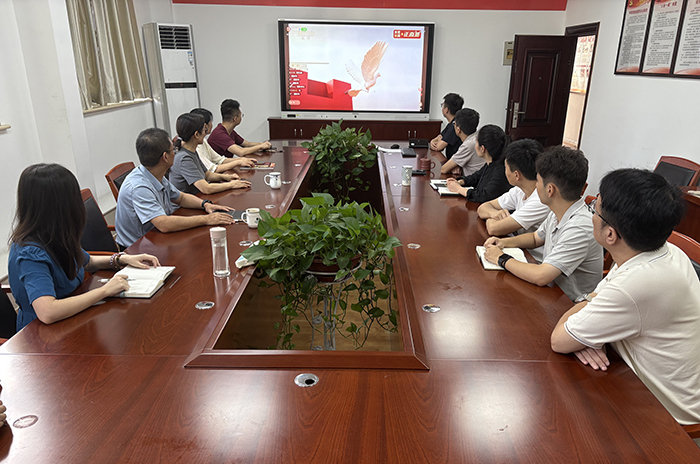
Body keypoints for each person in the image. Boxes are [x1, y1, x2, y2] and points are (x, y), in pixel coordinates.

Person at [550, 169, 700, 433]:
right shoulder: (663, 251)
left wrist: (584, 331)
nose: (591, 214)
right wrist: (590, 332)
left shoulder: (637, 282)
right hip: (639, 380)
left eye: (594, 209)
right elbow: (600, 299)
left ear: (611, 234)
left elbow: (559, 340)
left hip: (668, 418)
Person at [8, 164, 160, 331]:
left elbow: (86, 261)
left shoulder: (54, 234)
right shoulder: (29, 252)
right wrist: (104, 291)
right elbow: (48, 312)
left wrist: (121, 259)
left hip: (74, 319)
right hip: (41, 335)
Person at [482, 146, 603, 301]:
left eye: (538, 181)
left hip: (568, 303)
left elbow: (541, 276)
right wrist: (503, 243)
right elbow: (535, 238)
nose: (536, 186)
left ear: (550, 190)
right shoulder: (559, 210)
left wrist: (501, 258)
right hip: (551, 293)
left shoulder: (579, 227)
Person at [115, 128, 235, 248]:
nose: (175, 153)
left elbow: (181, 197)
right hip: (137, 248)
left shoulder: (154, 172)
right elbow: (164, 224)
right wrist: (207, 219)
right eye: (173, 149)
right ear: (165, 157)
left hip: (156, 238)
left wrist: (205, 204)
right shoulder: (139, 187)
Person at [476, 139, 549, 261]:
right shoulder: (519, 190)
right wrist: (494, 213)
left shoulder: (540, 200)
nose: (504, 171)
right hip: (515, 248)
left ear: (516, 175)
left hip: (532, 259)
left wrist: (491, 218)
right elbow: (483, 207)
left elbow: (494, 229)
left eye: (506, 167)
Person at [169, 112, 252, 195]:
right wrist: (232, 185)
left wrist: (227, 177)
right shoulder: (184, 158)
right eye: (204, 130)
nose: (205, 133)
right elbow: (206, 188)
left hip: (198, 197)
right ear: (196, 134)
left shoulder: (192, 152)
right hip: (189, 201)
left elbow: (207, 175)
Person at [445, 124, 511, 203]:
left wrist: (459, 189)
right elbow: (475, 177)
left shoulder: (501, 169)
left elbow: (485, 196)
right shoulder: (490, 163)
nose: (475, 146)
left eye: (476, 142)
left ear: (482, 148)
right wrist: (460, 182)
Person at [189, 108, 256, 173]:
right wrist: (238, 162)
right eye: (211, 122)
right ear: (205, 126)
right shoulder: (195, 146)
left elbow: (220, 160)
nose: (212, 125)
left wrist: (241, 159)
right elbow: (213, 169)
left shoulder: (203, 141)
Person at [439, 108, 483, 175]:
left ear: (458, 129)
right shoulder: (477, 137)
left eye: (454, 123)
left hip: (474, 180)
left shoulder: (469, 144)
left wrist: (452, 167)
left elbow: (443, 169)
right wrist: (457, 166)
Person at [429, 93, 463, 160]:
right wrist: (433, 141)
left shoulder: (455, 125)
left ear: (446, 110)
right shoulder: (452, 123)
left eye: (442, 105)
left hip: (456, 162)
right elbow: (439, 137)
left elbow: (438, 147)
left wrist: (435, 142)